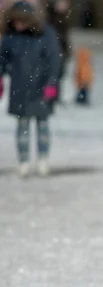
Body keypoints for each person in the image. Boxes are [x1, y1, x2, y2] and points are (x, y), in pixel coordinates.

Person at [0, 1, 60, 177]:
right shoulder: (10, 37)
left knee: (42, 125)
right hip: (19, 88)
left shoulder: (46, 34)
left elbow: (54, 60)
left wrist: (51, 82)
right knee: (22, 126)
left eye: (21, 21)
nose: (18, 25)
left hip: (41, 87)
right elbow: (2, 59)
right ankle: (24, 161)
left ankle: (43, 160)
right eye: (15, 21)